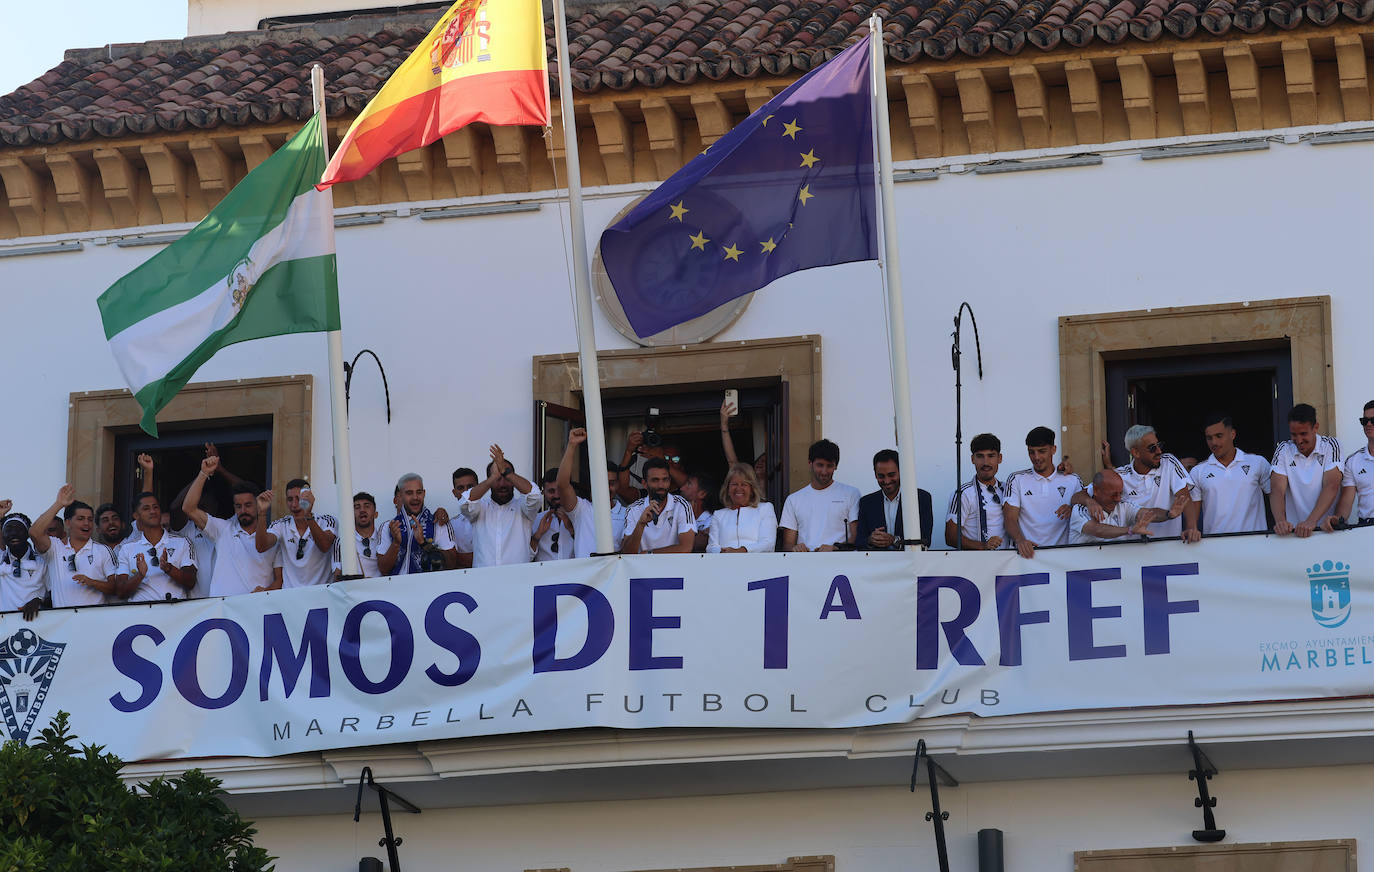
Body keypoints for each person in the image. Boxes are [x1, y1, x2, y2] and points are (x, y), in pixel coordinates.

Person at [1074, 425, 1199, 542]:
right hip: (1133, 553)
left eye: (1159, 445)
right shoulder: (1120, 475)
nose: (1159, 451)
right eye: (1152, 448)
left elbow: (1184, 497)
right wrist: (1089, 502)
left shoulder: (1168, 462)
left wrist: (1191, 527)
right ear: (1135, 453)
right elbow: (1077, 496)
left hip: (1168, 546)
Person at [181, 456, 275, 597]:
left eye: (248, 505)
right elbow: (188, 508)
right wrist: (203, 473)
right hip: (223, 611)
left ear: (258, 504)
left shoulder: (273, 535)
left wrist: (266, 591)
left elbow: (281, 579)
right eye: (238, 506)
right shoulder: (223, 529)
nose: (243, 510)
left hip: (258, 611)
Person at [31, 485, 118, 608]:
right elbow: (34, 532)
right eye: (81, 519)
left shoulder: (103, 550)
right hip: (64, 622)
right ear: (67, 522)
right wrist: (58, 504)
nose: (86, 523)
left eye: (90, 519)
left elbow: (116, 588)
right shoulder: (56, 547)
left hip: (96, 622)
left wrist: (92, 582)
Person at [1003, 426, 1084, 558]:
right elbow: (1009, 518)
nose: (1036, 457)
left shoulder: (1072, 480)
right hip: (1027, 556)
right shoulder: (1017, 479)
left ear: (1053, 449)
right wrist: (1020, 540)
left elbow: (1086, 510)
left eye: (1042, 451)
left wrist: (1073, 509)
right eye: (1031, 452)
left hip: (1064, 558)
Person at [460, 444, 543, 568]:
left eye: (506, 478)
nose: (502, 484)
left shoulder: (523, 507)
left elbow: (535, 495)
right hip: (483, 581)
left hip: (517, 581)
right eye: (498, 479)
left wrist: (506, 472)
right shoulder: (480, 508)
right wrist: (493, 477)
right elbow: (465, 503)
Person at [1189, 412, 1272, 534]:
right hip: (1215, 547)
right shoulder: (1198, 471)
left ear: (1232, 434)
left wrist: (1282, 522)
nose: (1214, 442)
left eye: (1219, 436)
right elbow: (1193, 517)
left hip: (1254, 544)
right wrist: (1192, 530)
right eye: (1209, 438)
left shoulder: (1257, 462)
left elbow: (1277, 495)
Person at [554, 428, 629, 558]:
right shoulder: (581, 509)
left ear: (617, 485)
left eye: (611, 483)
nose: (606, 488)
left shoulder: (628, 514)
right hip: (585, 578)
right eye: (602, 483)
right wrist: (572, 445)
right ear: (593, 484)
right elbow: (562, 485)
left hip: (615, 577)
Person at [1271, 403, 1342, 537]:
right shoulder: (1283, 449)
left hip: (1328, 532)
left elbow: (1332, 485)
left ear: (1316, 427)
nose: (1298, 440)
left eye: (1303, 434)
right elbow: (1276, 489)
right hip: (1294, 535)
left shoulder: (1331, 445)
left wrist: (1311, 521)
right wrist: (1280, 521)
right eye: (1293, 434)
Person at [1069, 469, 1191, 545]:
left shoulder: (1124, 505)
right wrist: (1130, 530)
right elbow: (1097, 529)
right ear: (1096, 490)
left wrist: (1169, 514)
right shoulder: (1079, 510)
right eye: (1113, 494)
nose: (1118, 498)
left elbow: (1147, 513)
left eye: (1120, 493)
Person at [780, 439, 861, 552]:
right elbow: (787, 545)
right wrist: (795, 549)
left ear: (836, 466)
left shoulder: (851, 494)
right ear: (810, 463)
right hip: (805, 564)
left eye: (829, 466)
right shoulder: (793, 500)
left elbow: (856, 538)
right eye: (820, 465)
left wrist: (835, 548)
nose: (824, 471)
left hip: (841, 564)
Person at [114, 492, 197, 602]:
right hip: (141, 615)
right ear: (136, 516)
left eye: (155, 507)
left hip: (176, 613)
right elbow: (120, 592)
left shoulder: (182, 542)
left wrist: (169, 569)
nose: (152, 511)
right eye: (146, 508)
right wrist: (140, 575)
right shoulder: (126, 548)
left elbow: (191, 582)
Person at [255, 479, 337, 589]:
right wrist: (261, 513)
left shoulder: (327, 520)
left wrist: (308, 514)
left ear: (309, 498)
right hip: (291, 599)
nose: (294, 504)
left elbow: (325, 546)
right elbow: (261, 546)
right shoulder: (281, 524)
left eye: (299, 499)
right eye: (290, 499)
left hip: (321, 596)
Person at [378, 474, 458, 575]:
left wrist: (423, 543)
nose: (415, 497)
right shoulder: (387, 526)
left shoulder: (439, 523)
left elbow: (451, 564)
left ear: (424, 493)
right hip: (397, 588)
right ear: (400, 496)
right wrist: (395, 544)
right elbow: (383, 569)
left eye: (419, 492)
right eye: (409, 493)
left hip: (430, 587)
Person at [856, 449, 934, 549]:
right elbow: (859, 542)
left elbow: (925, 540)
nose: (887, 481)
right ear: (875, 474)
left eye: (891, 475)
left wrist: (895, 540)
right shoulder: (866, 502)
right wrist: (870, 540)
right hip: (876, 563)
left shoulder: (921, 498)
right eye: (881, 476)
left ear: (902, 471)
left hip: (910, 562)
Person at [946, 434, 1008, 550]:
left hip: (1009, 563)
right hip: (976, 564)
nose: (986, 463)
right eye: (980, 456)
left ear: (1000, 458)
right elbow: (950, 537)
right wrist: (983, 546)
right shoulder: (962, 493)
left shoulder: (1008, 489)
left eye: (991, 456)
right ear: (972, 459)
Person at [623, 458, 696, 554]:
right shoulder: (633, 510)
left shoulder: (681, 505)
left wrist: (650, 553)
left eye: (665, 480)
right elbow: (627, 553)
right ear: (644, 484)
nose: (661, 485)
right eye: (655, 480)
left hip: (674, 567)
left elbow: (686, 548)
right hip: (641, 568)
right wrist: (641, 524)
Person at [1322, 401, 1374, 531]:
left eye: (1373, 420)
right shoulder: (1353, 461)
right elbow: (1345, 503)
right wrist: (1336, 519)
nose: (1368, 424)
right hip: (1366, 530)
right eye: (1364, 421)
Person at [708, 463, 777, 552]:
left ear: (752, 489)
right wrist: (721, 552)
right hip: (725, 563)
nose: (738, 488)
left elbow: (768, 543)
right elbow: (711, 546)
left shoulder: (765, 509)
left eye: (744, 484)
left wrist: (742, 551)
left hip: (758, 564)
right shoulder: (719, 515)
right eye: (734, 484)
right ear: (728, 489)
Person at [1, 511, 46, 619]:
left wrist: (38, 600)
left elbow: (53, 593)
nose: (13, 534)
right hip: (4, 629)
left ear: (27, 534)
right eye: (8, 530)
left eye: (18, 529)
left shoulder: (42, 561)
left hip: (38, 626)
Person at [531, 469, 576, 562]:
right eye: (551, 491)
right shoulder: (535, 520)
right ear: (543, 493)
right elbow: (525, 558)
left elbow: (590, 550)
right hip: (545, 575)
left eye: (560, 490)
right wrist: (537, 536)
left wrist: (571, 529)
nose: (556, 495)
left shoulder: (581, 517)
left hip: (576, 575)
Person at [448, 467, 478, 568]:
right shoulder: (451, 525)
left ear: (479, 488)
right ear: (454, 493)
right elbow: (451, 560)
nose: (466, 492)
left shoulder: (493, 516)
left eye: (470, 487)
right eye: (461, 488)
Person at [679, 472, 714, 552]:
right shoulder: (676, 517)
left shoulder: (713, 521)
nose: (682, 488)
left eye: (689, 484)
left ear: (702, 494)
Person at [352, 492, 384, 577]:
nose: (362, 510)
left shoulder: (385, 539)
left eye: (367, 506)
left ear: (375, 514)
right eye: (357, 507)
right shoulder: (342, 542)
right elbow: (337, 579)